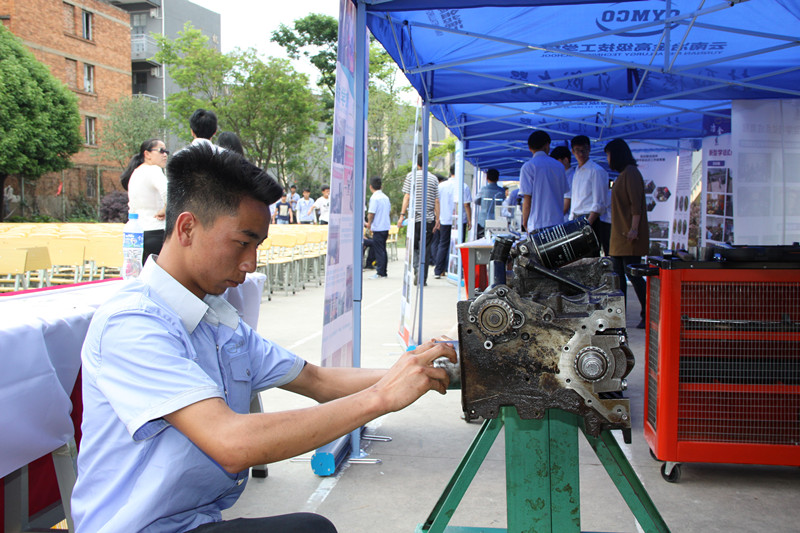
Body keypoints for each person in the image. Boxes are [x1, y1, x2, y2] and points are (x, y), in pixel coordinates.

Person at [71, 144, 456, 533]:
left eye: (258, 246)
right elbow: (231, 443)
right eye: (243, 242)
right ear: (187, 228)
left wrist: (417, 370)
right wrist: (381, 397)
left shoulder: (218, 319)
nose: (251, 263)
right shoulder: (134, 323)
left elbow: (319, 381)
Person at [604, 138, 649, 329]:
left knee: (634, 275)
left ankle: (647, 312)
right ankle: (619, 315)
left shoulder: (630, 173)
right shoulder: (624, 174)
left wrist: (634, 228)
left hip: (628, 235)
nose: (607, 159)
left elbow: (635, 204)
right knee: (621, 276)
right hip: (620, 235)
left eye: (608, 155)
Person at [119, 138, 169, 263]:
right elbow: (171, 194)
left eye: (166, 151)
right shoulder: (154, 170)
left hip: (135, 234)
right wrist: (165, 209)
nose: (165, 154)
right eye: (161, 151)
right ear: (147, 154)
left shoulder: (135, 172)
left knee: (139, 276)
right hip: (155, 232)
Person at [397, 153, 440, 285]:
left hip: (413, 219)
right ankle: (423, 277)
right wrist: (437, 219)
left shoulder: (411, 176)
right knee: (425, 249)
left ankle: (416, 268)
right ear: (427, 163)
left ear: (417, 163)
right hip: (428, 220)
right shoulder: (433, 179)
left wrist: (401, 215)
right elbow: (436, 201)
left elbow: (407, 197)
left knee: (414, 247)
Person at [519, 131, 570, 233]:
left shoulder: (528, 167)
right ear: (547, 146)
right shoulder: (559, 166)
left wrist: (524, 221)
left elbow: (527, 199)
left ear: (530, 148)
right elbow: (565, 194)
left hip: (537, 223)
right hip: (557, 223)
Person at [568, 135, 611, 256]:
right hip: (577, 218)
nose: (581, 153)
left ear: (589, 149)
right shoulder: (576, 170)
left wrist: (587, 224)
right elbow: (575, 199)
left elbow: (599, 203)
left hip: (590, 219)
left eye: (584, 150)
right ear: (573, 151)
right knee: (577, 257)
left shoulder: (596, 171)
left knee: (590, 257)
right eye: (578, 150)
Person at [366, 176, 391, 279]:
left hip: (378, 227)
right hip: (385, 226)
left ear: (370, 187)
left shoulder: (374, 198)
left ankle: (380, 272)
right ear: (381, 186)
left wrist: (369, 223)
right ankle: (383, 271)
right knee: (382, 249)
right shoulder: (385, 197)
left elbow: (371, 213)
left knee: (379, 250)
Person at [474, 168, 505, 239]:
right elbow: (503, 201)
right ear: (498, 178)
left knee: (481, 241)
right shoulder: (501, 191)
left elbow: (476, 201)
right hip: (497, 220)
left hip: (483, 220)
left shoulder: (483, 189)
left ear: (487, 178)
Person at [550, 145, 574, 221]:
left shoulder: (570, 177)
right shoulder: (564, 176)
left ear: (566, 160)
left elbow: (565, 206)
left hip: (564, 220)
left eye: (556, 162)